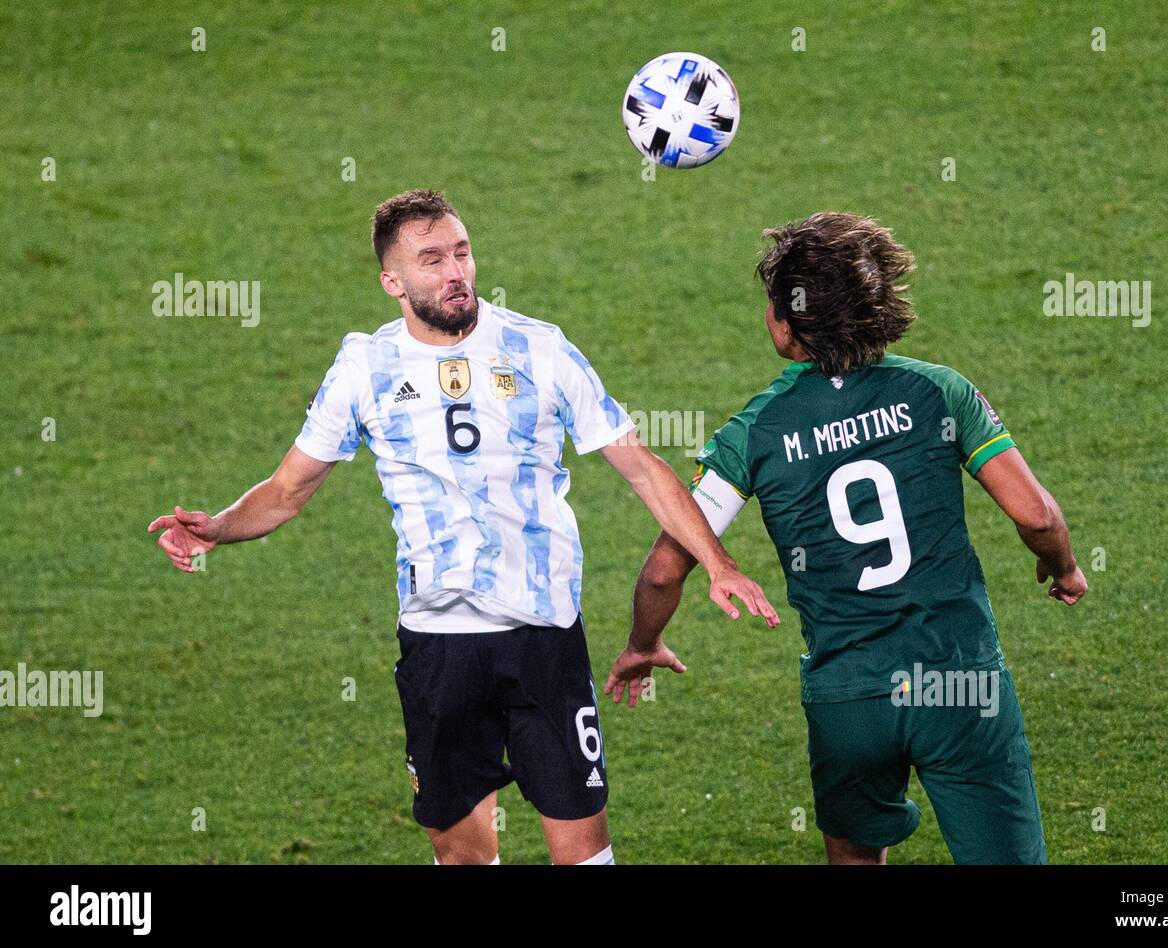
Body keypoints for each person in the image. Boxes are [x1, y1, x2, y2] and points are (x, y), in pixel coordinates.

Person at [147, 189, 778, 865]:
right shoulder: (364, 367)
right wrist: (216, 526)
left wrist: (718, 562)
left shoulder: (540, 348)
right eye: (431, 260)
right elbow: (285, 491)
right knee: (464, 858)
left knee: (585, 852)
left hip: (543, 636)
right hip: (439, 645)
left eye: (462, 252)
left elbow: (645, 469)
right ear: (393, 280)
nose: (455, 272)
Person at [604, 211, 1086, 864]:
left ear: (784, 322)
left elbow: (665, 568)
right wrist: (1062, 567)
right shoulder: (940, 390)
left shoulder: (755, 431)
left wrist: (643, 643)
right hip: (961, 682)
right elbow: (1036, 516)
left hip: (850, 697)